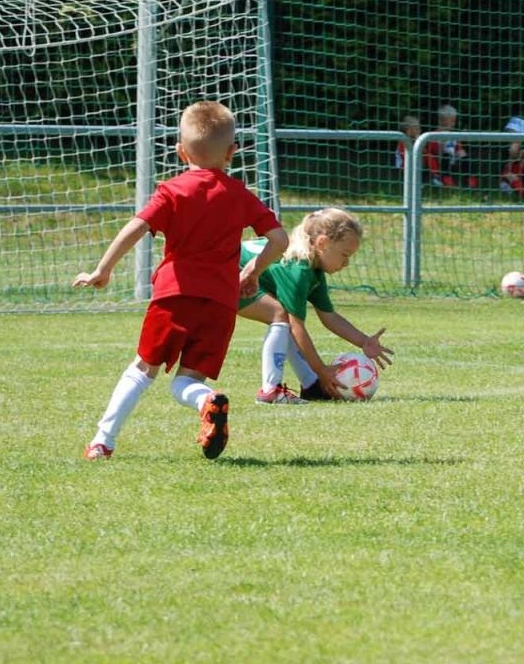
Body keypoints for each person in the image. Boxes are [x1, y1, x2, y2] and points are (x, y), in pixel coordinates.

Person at [74, 100, 287, 460]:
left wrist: (103, 268)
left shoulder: (172, 190)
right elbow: (280, 240)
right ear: (232, 153)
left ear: (179, 151)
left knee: (143, 370)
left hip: (174, 295)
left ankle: (102, 442)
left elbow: (137, 226)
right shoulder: (240, 195)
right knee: (188, 382)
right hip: (220, 303)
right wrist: (253, 270)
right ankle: (207, 400)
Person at [236, 207, 395, 403]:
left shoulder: (314, 268)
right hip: (224, 274)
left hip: (229, 273)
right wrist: (321, 369)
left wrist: (363, 341)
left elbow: (329, 317)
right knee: (281, 316)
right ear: (323, 243)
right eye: (345, 254)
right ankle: (271, 390)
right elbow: (297, 327)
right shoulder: (298, 268)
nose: (346, 263)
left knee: (283, 317)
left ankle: (311, 386)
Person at [497, 116, 524, 197]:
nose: (510, 135)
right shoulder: (507, 147)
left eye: (513, 132)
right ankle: (516, 192)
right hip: (514, 176)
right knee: (507, 175)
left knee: (510, 175)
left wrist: (521, 152)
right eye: (509, 132)